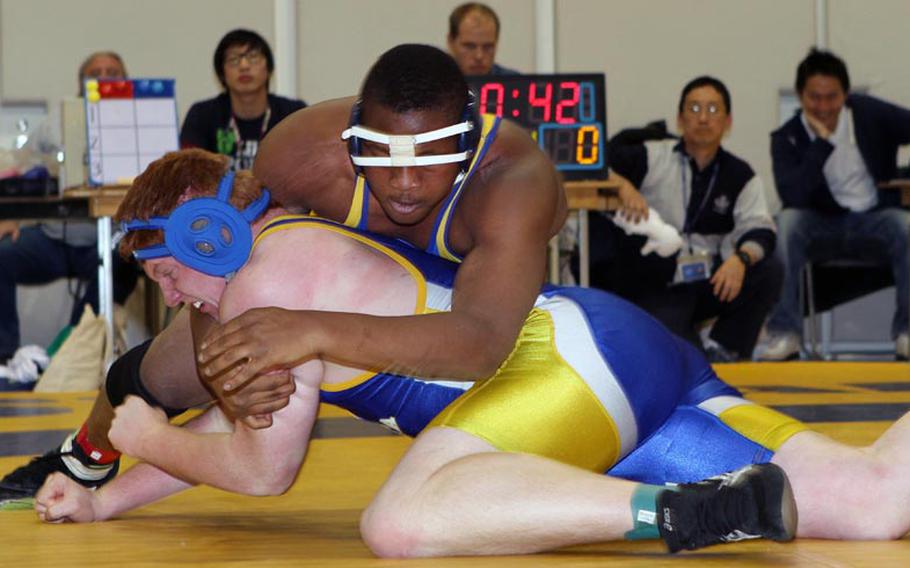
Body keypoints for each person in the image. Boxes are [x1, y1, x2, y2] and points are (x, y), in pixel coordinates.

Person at [34, 150, 910, 557]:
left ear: (210, 232)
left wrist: (143, 438)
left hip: (563, 364)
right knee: (869, 503)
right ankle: (725, 499)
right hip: (604, 370)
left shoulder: (266, 281)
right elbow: (238, 419)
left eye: (165, 270)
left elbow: (264, 470)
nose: (172, 297)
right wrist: (114, 500)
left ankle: (684, 512)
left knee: (404, 521)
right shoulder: (286, 255)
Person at [0, 43, 563, 499]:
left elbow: (482, 341)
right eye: (383, 157)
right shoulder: (303, 154)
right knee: (151, 375)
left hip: (452, 315)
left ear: (465, 146)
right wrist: (223, 367)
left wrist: (310, 329)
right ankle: (85, 458)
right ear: (355, 141)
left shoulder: (512, 184)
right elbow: (225, 259)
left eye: (428, 157)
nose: (406, 182)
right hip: (338, 287)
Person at [598, 76, 781, 362]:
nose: (703, 118)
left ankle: (724, 348)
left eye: (712, 109)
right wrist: (623, 185)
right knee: (682, 360)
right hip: (657, 286)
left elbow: (761, 228)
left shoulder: (740, 174)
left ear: (727, 121)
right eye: (694, 109)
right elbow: (593, 162)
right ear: (680, 119)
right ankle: (693, 350)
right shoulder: (651, 156)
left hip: (710, 279)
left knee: (768, 270)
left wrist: (740, 259)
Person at [761, 49, 910, 361]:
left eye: (833, 97)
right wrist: (822, 144)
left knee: (905, 225)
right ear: (801, 96)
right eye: (815, 97)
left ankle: (906, 332)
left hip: (873, 219)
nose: (824, 106)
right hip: (820, 226)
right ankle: (785, 332)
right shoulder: (786, 138)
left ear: (846, 94)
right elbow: (794, 195)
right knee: (785, 222)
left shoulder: (867, 113)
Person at [0, 51, 137, 370]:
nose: (104, 76)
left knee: (121, 266)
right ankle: (6, 357)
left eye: (112, 71)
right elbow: (23, 170)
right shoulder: (57, 122)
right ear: (81, 83)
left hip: (107, 239)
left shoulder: (138, 122)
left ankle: (70, 355)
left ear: (125, 80)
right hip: (54, 238)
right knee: (3, 256)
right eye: (96, 71)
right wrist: (12, 217)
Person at [179, 28, 307, 171]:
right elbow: (187, 172)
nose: (244, 66)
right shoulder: (202, 115)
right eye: (234, 60)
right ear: (221, 74)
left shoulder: (293, 113)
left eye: (253, 57)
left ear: (269, 68)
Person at [447, 2, 519, 76]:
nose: (479, 56)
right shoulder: (435, 82)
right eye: (470, 46)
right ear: (451, 42)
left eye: (488, 47)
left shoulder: (515, 82)